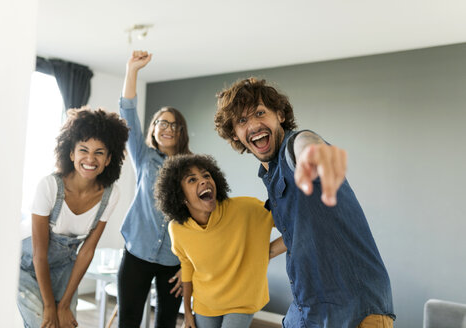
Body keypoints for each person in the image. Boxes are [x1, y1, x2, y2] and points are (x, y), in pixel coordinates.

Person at [214, 77, 395, 328]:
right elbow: (296, 234)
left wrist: (313, 154)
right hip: (310, 307)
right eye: (242, 120)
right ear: (235, 133)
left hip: (355, 309)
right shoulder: (269, 174)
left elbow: (306, 144)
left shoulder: (293, 147)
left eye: (259, 113)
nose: (254, 124)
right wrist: (260, 254)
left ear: (279, 115)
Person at [17, 107, 129, 328]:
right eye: (83, 150)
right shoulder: (49, 186)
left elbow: (86, 251)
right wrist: (50, 306)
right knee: (41, 323)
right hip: (26, 265)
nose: (90, 158)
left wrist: (64, 303)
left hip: (63, 269)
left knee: (66, 323)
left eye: (99, 152)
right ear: (71, 153)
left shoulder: (110, 194)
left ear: (108, 159)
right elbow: (39, 254)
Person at [154, 154, 287, 328]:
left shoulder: (246, 209)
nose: (203, 181)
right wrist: (187, 311)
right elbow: (187, 267)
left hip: (242, 299)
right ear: (180, 196)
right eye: (192, 180)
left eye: (206, 175)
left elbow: (293, 227)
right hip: (205, 303)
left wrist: (265, 253)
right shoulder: (177, 229)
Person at [117, 50, 192, 328]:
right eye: (163, 122)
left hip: (174, 261)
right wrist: (132, 71)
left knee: (166, 323)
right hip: (137, 252)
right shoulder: (143, 155)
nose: (168, 128)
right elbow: (127, 113)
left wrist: (189, 265)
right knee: (129, 322)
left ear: (182, 131)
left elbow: (197, 218)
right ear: (154, 127)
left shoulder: (191, 167)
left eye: (174, 124)